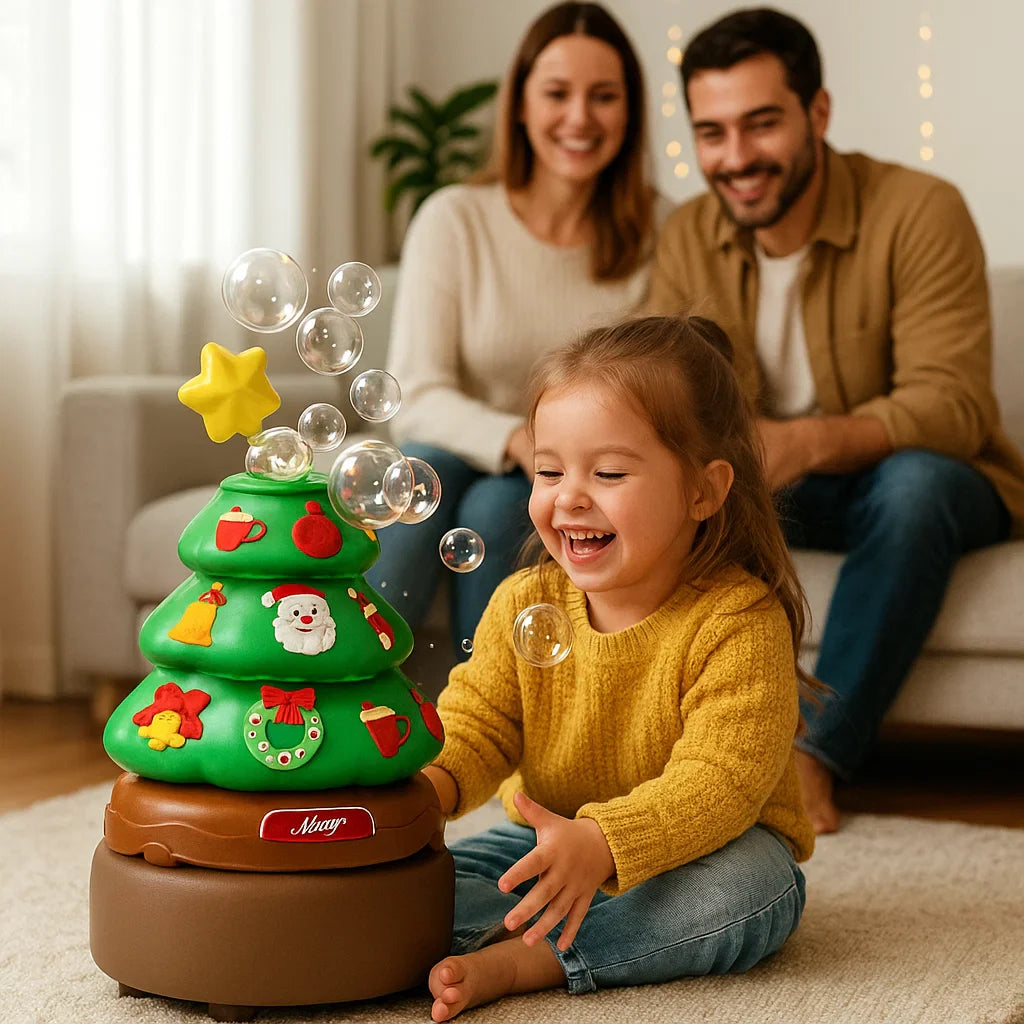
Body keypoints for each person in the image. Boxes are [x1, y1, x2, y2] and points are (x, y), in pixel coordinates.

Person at [648, 7, 1024, 834]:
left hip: (918, 486)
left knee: (917, 485)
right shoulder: (687, 235)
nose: (736, 158)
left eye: (761, 123)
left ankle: (812, 758)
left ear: (818, 114)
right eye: (711, 132)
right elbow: (659, 394)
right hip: (766, 488)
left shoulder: (920, 210)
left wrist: (808, 440)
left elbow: (956, 403)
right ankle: (655, 756)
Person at [421, 316, 816, 1021]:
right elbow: (477, 724)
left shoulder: (737, 620)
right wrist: (427, 788)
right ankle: (438, 934)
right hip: (552, 837)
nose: (569, 495)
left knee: (755, 894)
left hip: (706, 850)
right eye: (549, 471)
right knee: (419, 883)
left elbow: (719, 784)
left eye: (607, 473)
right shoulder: (526, 599)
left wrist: (605, 843)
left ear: (703, 492)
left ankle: (531, 961)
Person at [369, 1, 663, 658]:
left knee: (501, 511)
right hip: (460, 458)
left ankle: (490, 735)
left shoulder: (658, 235)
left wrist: (556, 461)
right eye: (557, 93)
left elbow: (648, 402)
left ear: (631, 113)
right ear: (521, 106)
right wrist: (517, 440)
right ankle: (342, 686)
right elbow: (415, 396)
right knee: (426, 469)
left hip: (579, 473)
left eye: (605, 96)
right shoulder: (454, 220)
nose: (580, 117)